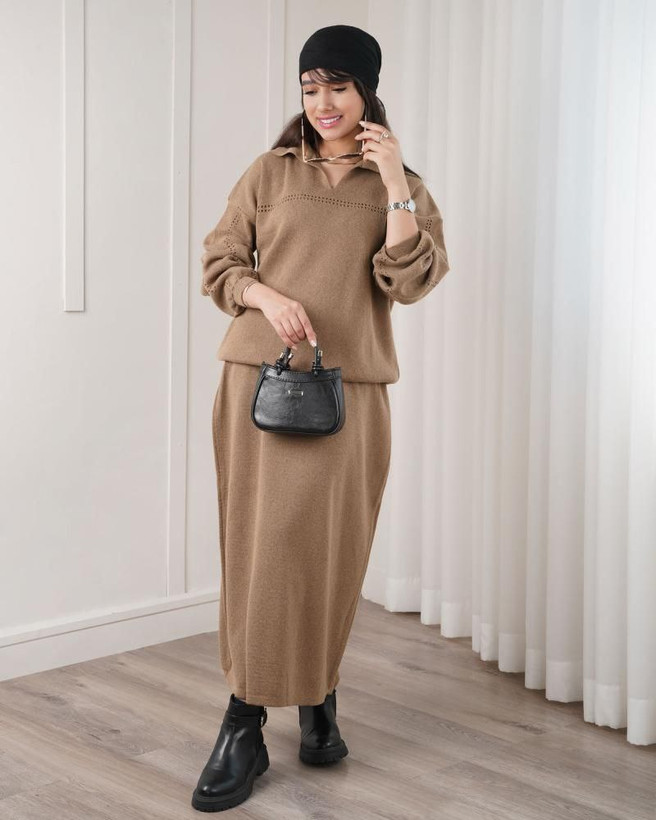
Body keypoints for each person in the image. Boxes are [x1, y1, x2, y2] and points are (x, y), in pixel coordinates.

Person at [192, 24, 450, 813]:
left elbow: (410, 281)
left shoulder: (400, 184)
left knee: (332, 554)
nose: (323, 102)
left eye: (339, 85)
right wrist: (266, 296)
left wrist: (393, 179)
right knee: (260, 553)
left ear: (367, 91)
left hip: (350, 394)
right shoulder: (270, 172)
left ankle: (319, 697)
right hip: (257, 387)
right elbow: (220, 260)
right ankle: (243, 722)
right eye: (311, 86)